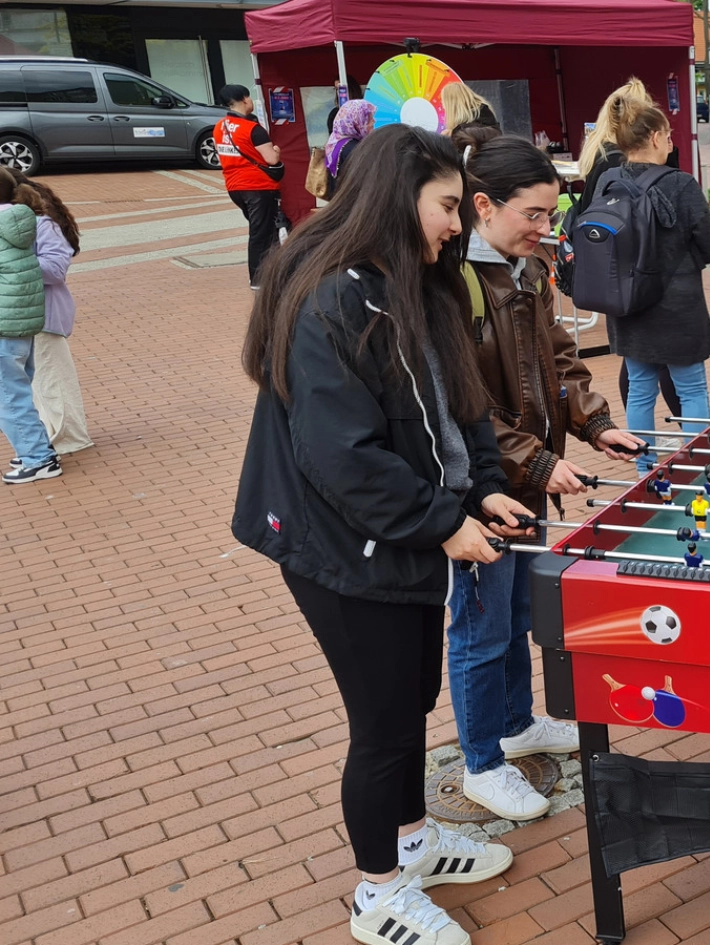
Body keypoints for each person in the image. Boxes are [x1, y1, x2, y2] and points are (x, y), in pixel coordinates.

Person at [231, 125, 534, 945]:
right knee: (383, 725)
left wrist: (487, 490)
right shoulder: (332, 293)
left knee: (410, 704)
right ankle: (378, 894)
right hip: (342, 546)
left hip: (399, 530)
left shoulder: (416, 282)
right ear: (396, 199)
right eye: (444, 205)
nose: (454, 223)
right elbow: (343, 457)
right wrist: (445, 523)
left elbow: (459, 407)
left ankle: (412, 839)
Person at [453, 127, 647, 820]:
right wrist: (537, 458)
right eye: (532, 213)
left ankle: (515, 722)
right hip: (482, 487)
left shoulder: (528, 270)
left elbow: (558, 360)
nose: (546, 227)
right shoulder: (453, 281)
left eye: (551, 214)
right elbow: (462, 408)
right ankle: (480, 760)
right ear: (483, 205)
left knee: (515, 611)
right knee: (480, 627)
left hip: (528, 477)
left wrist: (596, 422)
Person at [602, 98, 710, 474]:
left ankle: (645, 471)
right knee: (691, 390)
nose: (670, 141)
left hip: (628, 303)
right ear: (656, 137)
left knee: (640, 387)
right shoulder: (681, 184)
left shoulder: (609, 181)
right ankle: (698, 470)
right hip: (678, 306)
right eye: (668, 135)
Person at [575, 79, 683, 420]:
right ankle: (685, 430)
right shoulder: (622, 162)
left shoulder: (600, 153)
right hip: (638, 270)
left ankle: (642, 441)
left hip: (613, 270)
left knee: (637, 360)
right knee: (662, 360)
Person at [17, 173, 91, 457]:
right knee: (39, 381)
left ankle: (67, 437)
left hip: (44, 314)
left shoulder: (42, 225)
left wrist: (15, 262)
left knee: (53, 379)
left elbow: (55, 270)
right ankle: (55, 433)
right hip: (25, 314)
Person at [0, 170, 55, 484]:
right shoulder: (18, 222)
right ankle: (34, 448)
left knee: (9, 397)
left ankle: (39, 459)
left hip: (3, 325)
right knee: (19, 391)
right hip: (21, 322)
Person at [215, 84, 289, 290]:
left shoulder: (219, 127)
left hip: (234, 186)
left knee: (264, 230)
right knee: (260, 233)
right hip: (258, 187)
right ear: (245, 99)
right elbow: (271, 159)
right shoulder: (253, 129)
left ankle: (275, 272)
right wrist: (277, 150)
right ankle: (257, 278)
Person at [326, 100, 375, 199]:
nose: (373, 122)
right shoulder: (354, 149)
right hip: (352, 206)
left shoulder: (336, 143)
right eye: (368, 119)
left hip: (338, 203)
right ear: (357, 121)